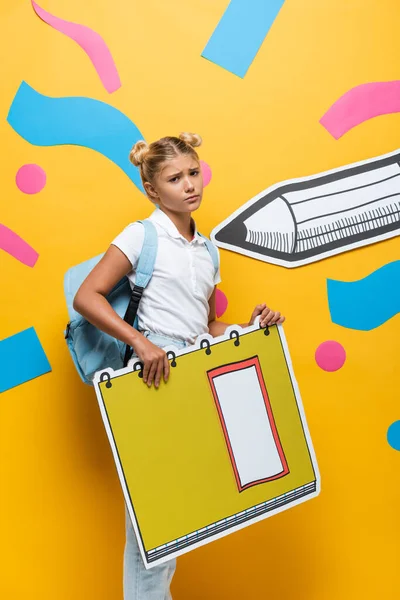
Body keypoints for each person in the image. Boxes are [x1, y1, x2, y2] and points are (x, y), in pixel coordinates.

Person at [73, 132, 285, 599]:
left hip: (192, 377)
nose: (189, 184)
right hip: (149, 378)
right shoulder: (141, 235)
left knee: (179, 512)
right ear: (153, 189)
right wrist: (141, 342)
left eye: (193, 172)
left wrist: (248, 325)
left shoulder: (208, 250)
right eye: (175, 178)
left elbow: (205, 324)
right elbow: (86, 297)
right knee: (156, 513)